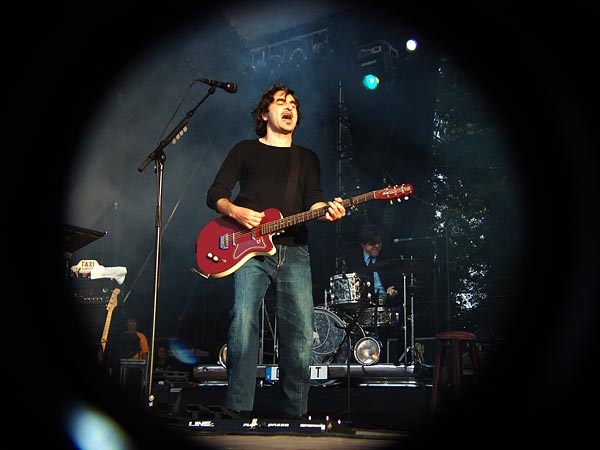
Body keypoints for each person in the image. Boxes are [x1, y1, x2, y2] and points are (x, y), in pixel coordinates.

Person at [206, 83, 346, 419]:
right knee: (243, 322)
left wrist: (328, 211)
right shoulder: (245, 150)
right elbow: (215, 193)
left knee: (299, 332)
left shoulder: (307, 157)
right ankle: (237, 408)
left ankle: (295, 413)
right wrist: (236, 212)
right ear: (264, 113)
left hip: (295, 250)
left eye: (294, 104)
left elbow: (314, 199)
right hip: (247, 250)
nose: (289, 107)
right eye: (281, 102)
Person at [345, 224, 400, 306]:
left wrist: (393, 288)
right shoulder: (354, 261)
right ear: (363, 245)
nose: (377, 246)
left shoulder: (388, 257)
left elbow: (399, 279)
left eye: (379, 243)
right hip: (364, 305)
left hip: (387, 304)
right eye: (372, 244)